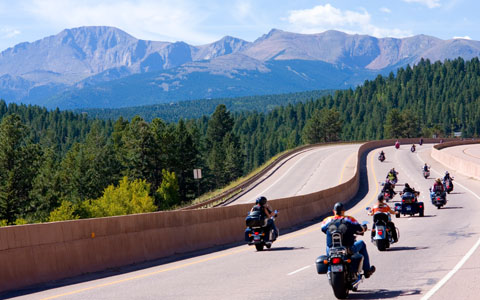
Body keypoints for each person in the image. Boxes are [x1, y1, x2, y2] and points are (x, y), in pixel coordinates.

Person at [321, 203, 376, 278]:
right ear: (344, 211)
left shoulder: (327, 220)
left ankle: (330, 271)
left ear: (334, 211)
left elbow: (323, 229)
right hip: (348, 248)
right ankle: (367, 271)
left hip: (331, 249)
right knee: (362, 244)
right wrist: (364, 228)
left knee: (328, 249)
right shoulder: (349, 219)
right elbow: (360, 229)